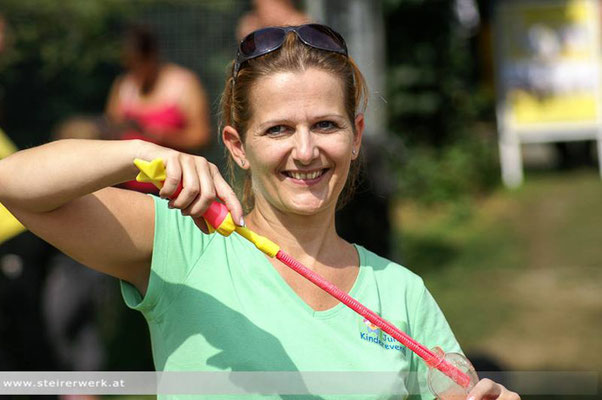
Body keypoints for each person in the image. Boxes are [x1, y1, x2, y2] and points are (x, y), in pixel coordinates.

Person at [0, 24, 519, 400]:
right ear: (237, 145)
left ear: (357, 137)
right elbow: (16, 185)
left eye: (326, 125)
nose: (306, 150)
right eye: (278, 129)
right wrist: (141, 152)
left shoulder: (402, 292)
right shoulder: (184, 245)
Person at [105, 24, 212, 192]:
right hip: (128, 189)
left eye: (138, 63)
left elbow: (202, 136)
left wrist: (165, 136)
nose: (134, 71)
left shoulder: (183, 84)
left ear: (152, 56)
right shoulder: (123, 85)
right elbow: (110, 127)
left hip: (173, 190)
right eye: (130, 65)